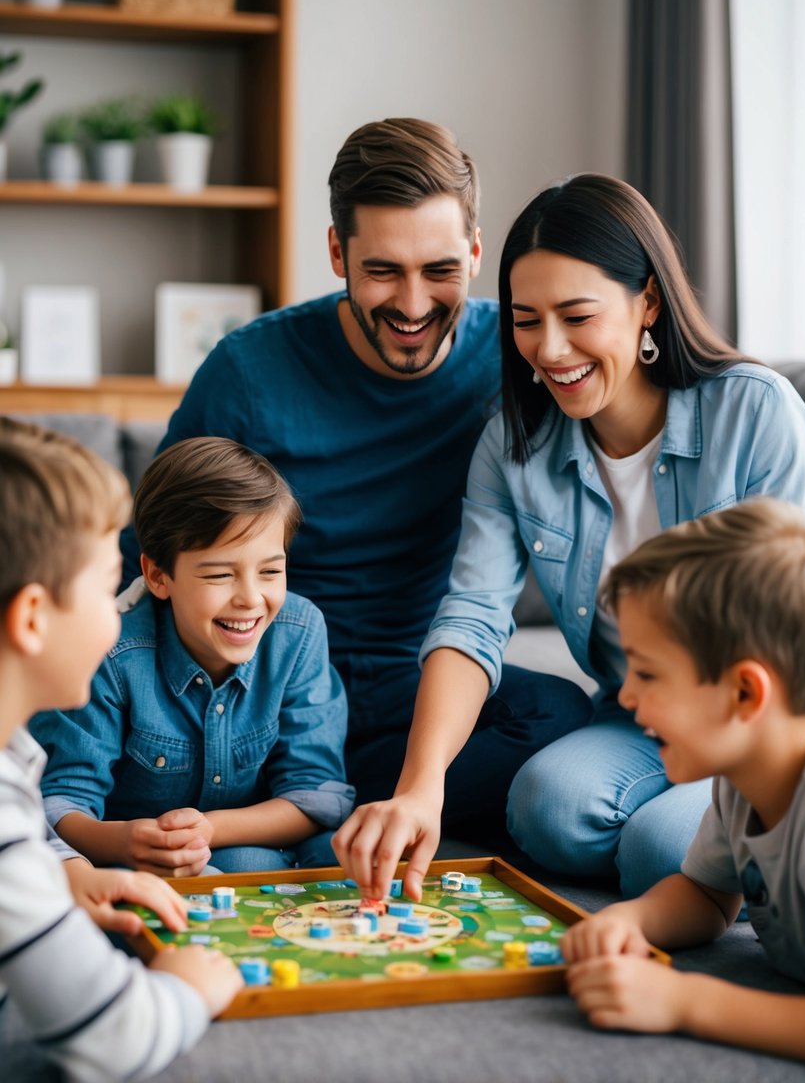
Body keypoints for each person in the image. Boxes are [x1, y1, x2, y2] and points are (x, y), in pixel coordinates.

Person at [333, 172, 805, 902]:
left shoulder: (753, 411)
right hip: (643, 716)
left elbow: (801, 630)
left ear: (647, 302)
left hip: (768, 727)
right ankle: (737, 868)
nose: (549, 349)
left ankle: (758, 867)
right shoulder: (512, 444)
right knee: (546, 809)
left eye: (576, 316)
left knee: (659, 852)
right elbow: (471, 615)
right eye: (525, 319)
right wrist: (420, 787)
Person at [121, 118, 592, 841]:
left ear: (474, 249)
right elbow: (150, 550)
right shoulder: (248, 371)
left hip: (420, 686)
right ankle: (297, 798)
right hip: (277, 686)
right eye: (382, 271)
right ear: (338, 253)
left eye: (439, 270)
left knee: (557, 715)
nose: (411, 305)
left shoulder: (520, 352)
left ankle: (329, 806)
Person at [0, 417, 242, 1080]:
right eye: (108, 586)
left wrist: (66, 875)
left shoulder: (10, 751)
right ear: (30, 618)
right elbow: (113, 1039)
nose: (121, 612)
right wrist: (189, 983)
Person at [563, 499, 805, 1068]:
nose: (626, 694)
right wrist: (629, 919)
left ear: (745, 694)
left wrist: (688, 1001)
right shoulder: (743, 777)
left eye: (648, 672)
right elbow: (710, 895)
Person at [32, 436, 354, 876]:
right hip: (134, 862)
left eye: (271, 571)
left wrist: (209, 829)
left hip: (251, 847)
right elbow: (62, 803)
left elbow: (317, 797)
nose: (250, 598)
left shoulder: (298, 633)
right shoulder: (109, 652)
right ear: (159, 576)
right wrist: (126, 842)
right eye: (220, 574)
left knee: (279, 859)